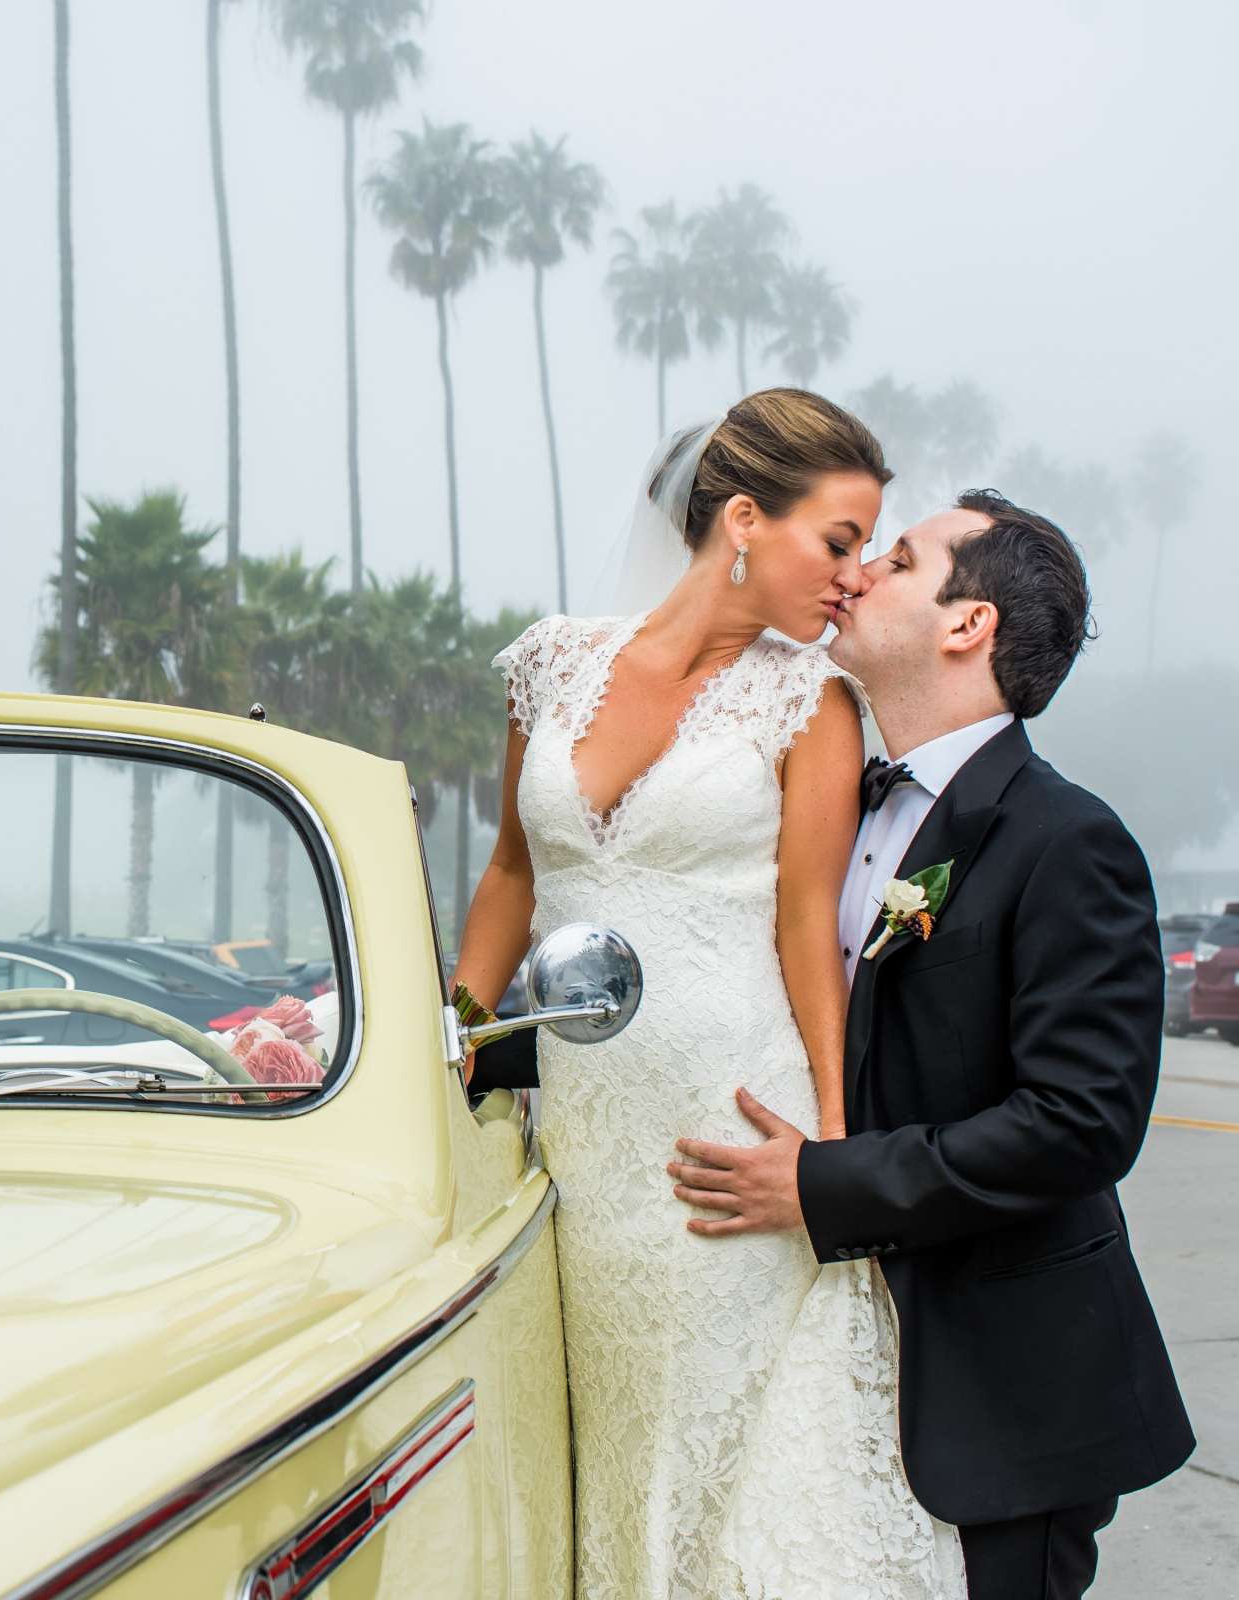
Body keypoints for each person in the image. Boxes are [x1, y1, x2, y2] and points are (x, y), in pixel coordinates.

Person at [459, 388, 964, 1597]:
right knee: (618, 1440)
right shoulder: (549, 666)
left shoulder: (814, 706)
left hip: (730, 1126)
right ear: (743, 516)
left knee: (732, 1458)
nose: (853, 575)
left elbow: (809, 933)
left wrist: (832, 1146)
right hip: (587, 1143)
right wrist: (452, 1044)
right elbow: (512, 872)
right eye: (839, 541)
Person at [663, 492, 1192, 1600]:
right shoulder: (828, 807)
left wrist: (823, 1183)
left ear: (968, 625)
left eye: (897, 560)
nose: (854, 574)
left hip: (1004, 1393)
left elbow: (1080, 1123)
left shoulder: (1066, 840)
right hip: (821, 1376)